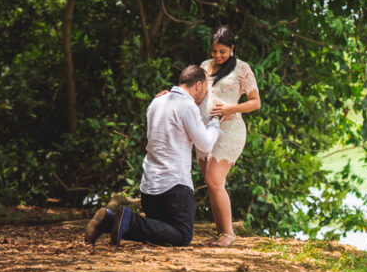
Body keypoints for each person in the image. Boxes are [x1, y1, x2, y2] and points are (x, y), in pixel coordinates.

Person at [84, 65, 222, 247]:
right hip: (175, 190)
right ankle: (130, 220)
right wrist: (215, 122)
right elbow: (204, 144)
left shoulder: (157, 101)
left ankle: (110, 221)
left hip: (149, 191)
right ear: (198, 85)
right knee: (182, 235)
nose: (205, 94)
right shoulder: (187, 105)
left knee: (159, 228)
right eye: (205, 88)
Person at [195, 26, 260, 247]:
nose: (218, 56)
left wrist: (230, 108)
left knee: (214, 179)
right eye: (214, 51)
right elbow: (197, 93)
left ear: (232, 48)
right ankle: (220, 232)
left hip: (230, 130)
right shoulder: (205, 66)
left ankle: (229, 234)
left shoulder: (242, 69)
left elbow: (255, 102)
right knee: (211, 182)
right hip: (205, 129)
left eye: (223, 51)